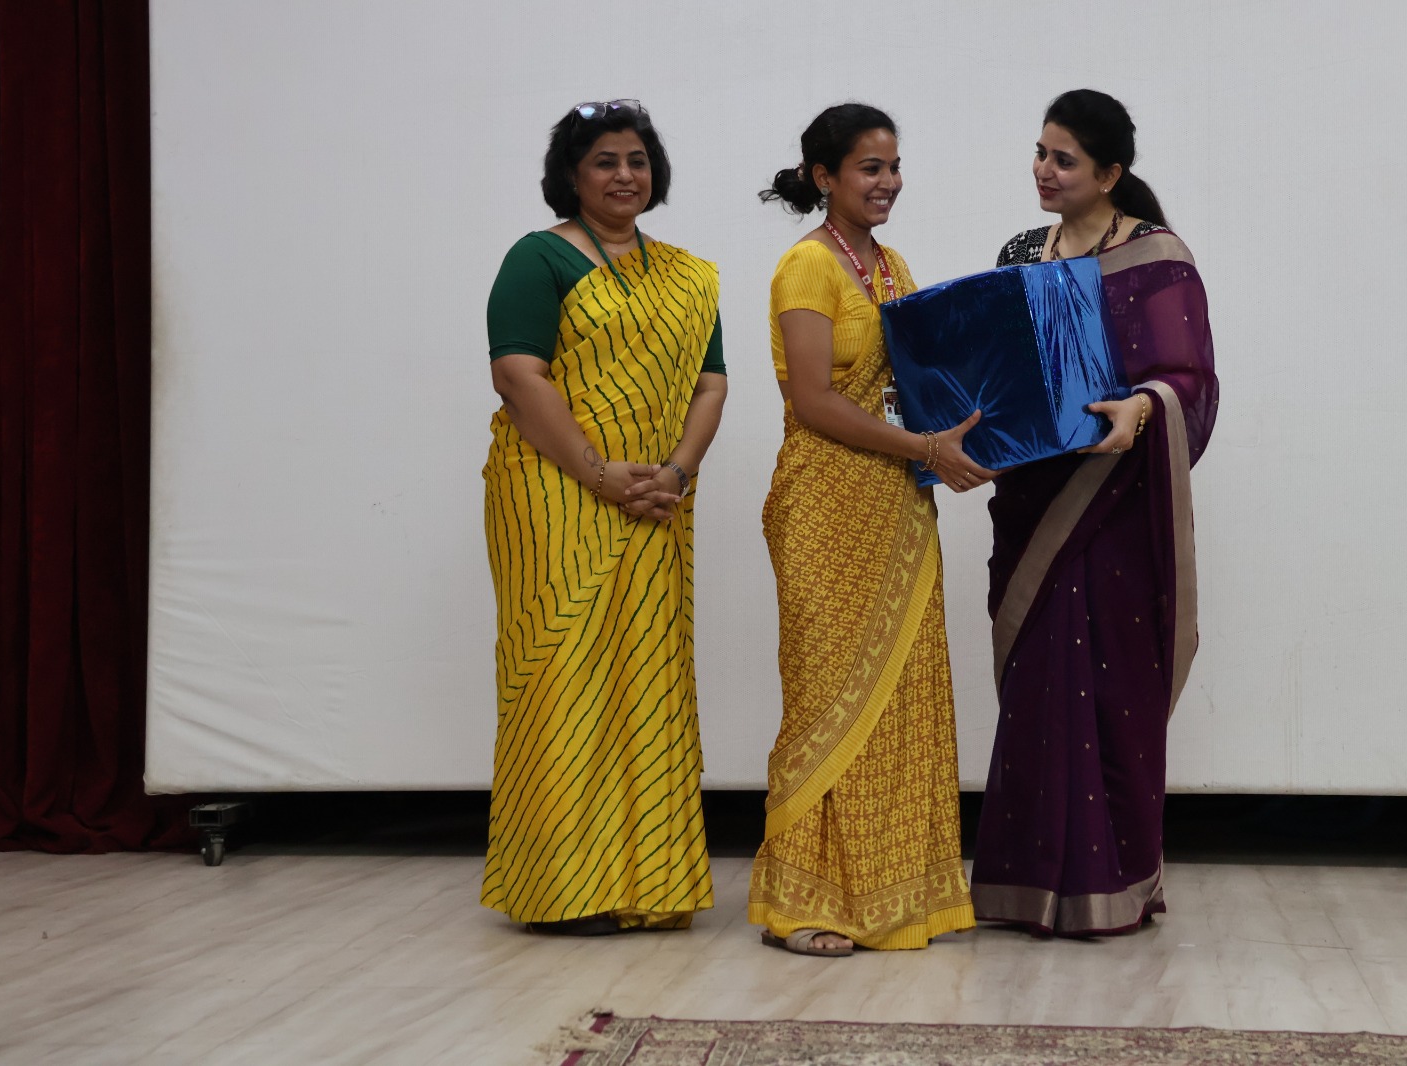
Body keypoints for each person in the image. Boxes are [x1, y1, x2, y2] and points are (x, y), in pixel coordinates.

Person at [970, 89, 1219, 936]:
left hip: (1115, 509)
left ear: (1109, 174)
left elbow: (1189, 380)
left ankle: (1112, 883)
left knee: (1110, 696)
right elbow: (1000, 365)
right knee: (1038, 693)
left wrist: (1142, 409)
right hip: (1033, 503)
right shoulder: (1020, 253)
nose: (1044, 170)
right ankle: (1022, 885)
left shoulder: (1157, 258)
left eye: (1064, 159)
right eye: (1040, 153)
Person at [747, 103, 991, 956]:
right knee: (827, 697)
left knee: (902, 695)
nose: (888, 182)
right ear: (825, 177)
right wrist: (926, 447)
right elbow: (814, 402)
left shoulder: (893, 268)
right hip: (825, 506)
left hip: (896, 506)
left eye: (893, 167)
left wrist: (983, 424)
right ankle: (804, 902)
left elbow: (922, 385)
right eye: (869, 168)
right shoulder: (806, 267)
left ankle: (894, 893)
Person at [480, 99, 727, 935]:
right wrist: (596, 472)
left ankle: (648, 883)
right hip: (553, 494)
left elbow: (711, 384)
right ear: (572, 176)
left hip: (657, 497)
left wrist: (677, 473)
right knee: (563, 679)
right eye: (605, 162)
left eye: (637, 160)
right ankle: (561, 890)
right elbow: (518, 376)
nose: (625, 175)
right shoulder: (538, 258)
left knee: (648, 680)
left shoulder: (687, 275)